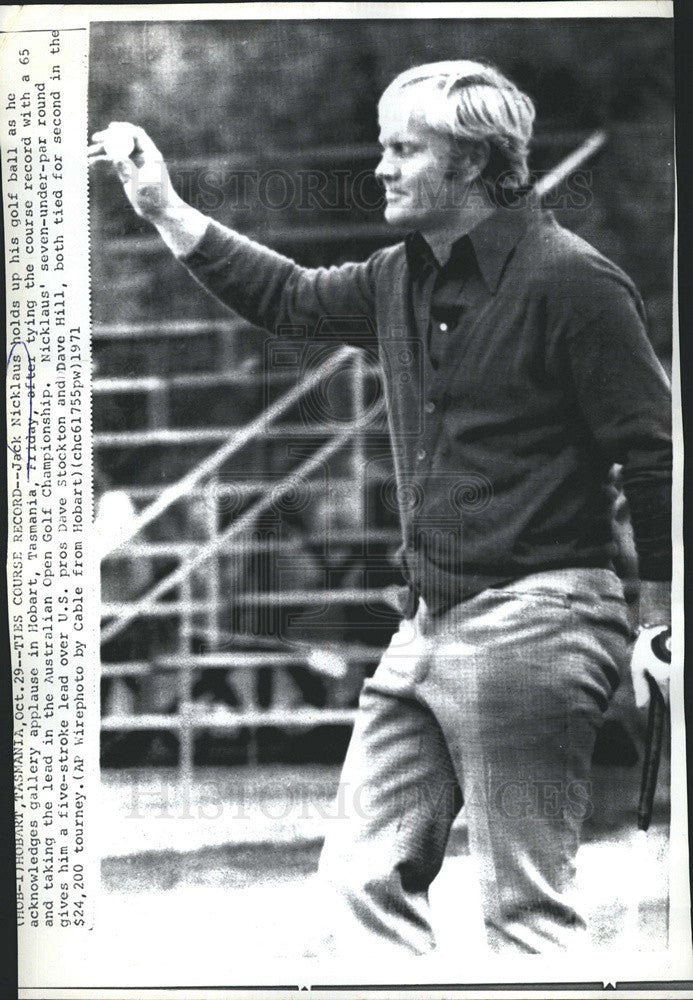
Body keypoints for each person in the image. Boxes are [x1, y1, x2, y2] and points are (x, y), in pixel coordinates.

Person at [89, 59, 672, 954]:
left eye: (405, 149)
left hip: (542, 619)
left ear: (473, 164)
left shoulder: (574, 283)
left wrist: (662, 616)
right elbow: (284, 295)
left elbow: (653, 451)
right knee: (360, 885)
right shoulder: (402, 276)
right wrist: (164, 208)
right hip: (426, 623)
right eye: (382, 148)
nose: (382, 169)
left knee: (526, 911)